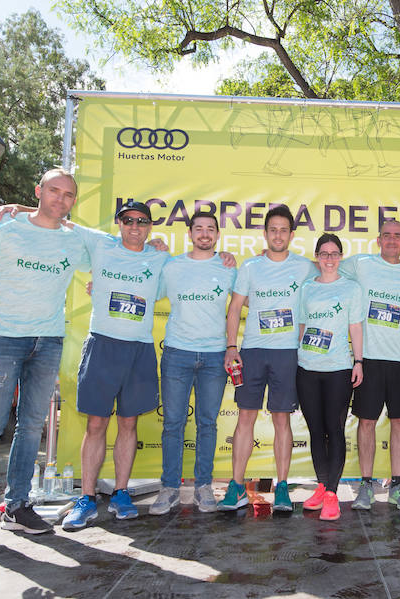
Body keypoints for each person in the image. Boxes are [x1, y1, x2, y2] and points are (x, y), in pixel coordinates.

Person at [0, 169, 90, 556]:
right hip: (2, 341)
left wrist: (155, 242)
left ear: (74, 201)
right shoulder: (2, 228)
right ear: (38, 190)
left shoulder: (74, 240)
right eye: (53, 191)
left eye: (68, 194)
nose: (60, 199)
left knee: (31, 429)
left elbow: (116, 244)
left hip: (48, 342)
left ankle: (17, 506)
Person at [61, 200, 172, 529]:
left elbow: (193, 270)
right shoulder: (101, 244)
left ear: (150, 226)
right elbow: (55, 218)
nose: (134, 226)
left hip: (138, 349)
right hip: (102, 345)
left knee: (128, 425)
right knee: (95, 425)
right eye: (128, 220)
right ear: (118, 223)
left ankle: (122, 493)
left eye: (141, 221)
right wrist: (13, 208)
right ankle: (88, 498)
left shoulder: (159, 256)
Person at [221, 205, 318, 512]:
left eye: (283, 230)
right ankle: (236, 486)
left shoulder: (305, 267)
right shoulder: (250, 267)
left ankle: (283, 487)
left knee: (281, 420)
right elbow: (235, 308)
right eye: (273, 229)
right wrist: (231, 347)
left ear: (291, 234)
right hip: (252, 351)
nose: (278, 235)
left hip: (287, 353)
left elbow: (332, 268)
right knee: (245, 418)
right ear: (265, 234)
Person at [338, 219, 400, 511]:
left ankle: (398, 485)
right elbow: (325, 267)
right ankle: (366, 485)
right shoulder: (361, 265)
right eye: (387, 235)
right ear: (378, 240)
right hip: (368, 359)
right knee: (366, 422)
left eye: (398, 236)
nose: (392, 240)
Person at [148, 211, 237, 515]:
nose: (204, 233)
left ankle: (203, 487)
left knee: (208, 424)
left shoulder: (228, 267)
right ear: (189, 233)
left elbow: (250, 298)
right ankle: (170, 487)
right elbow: (145, 289)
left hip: (214, 356)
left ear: (217, 235)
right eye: (198, 228)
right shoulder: (172, 266)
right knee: (173, 423)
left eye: (210, 229)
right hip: (177, 353)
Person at [296, 234, 365, 520]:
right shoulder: (306, 288)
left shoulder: (351, 288)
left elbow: (356, 329)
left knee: (334, 430)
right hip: (307, 368)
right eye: (323, 253)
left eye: (334, 253)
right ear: (317, 257)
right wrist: (297, 359)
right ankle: (322, 486)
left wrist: (358, 362)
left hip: (338, 369)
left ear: (340, 256)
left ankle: (333, 494)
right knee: (315, 431)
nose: (329, 258)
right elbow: (301, 326)